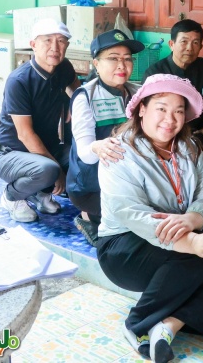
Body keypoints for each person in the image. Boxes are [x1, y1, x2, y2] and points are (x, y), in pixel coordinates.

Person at [96, 74, 203, 363]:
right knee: (201, 255)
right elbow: (132, 214)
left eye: (179, 111)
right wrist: (192, 242)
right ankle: (137, 324)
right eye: (161, 108)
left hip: (180, 235)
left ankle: (168, 326)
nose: (170, 119)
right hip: (124, 246)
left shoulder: (191, 148)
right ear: (142, 109)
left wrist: (193, 219)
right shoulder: (119, 152)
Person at [0, 18, 80, 222]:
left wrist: (73, 105)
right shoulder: (19, 80)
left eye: (61, 41)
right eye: (47, 40)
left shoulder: (63, 67)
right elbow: (25, 134)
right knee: (49, 169)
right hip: (9, 153)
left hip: (47, 146)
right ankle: (11, 197)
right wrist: (58, 173)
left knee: (83, 156)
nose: (55, 47)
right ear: (33, 45)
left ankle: (40, 193)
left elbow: (77, 91)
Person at [66, 29, 144, 245]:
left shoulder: (138, 93)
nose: (122, 65)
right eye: (113, 58)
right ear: (96, 64)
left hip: (128, 180)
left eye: (127, 59)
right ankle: (88, 217)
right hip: (91, 187)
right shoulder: (85, 96)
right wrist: (97, 147)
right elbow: (85, 154)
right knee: (130, 227)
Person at [143, 19, 203, 147]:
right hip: (165, 134)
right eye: (184, 42)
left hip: (198, 134)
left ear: (201, 47)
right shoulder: (155, 74)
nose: (189, 48)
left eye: (195, 43)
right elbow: (148, 110)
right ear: (171, 44)